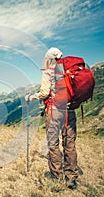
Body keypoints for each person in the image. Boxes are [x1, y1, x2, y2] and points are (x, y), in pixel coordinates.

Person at [25, 47, 81, 189]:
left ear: (49, 58)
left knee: (53, 142)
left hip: (54, 111)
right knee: (69, 143)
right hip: (70, 111)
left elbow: (44, 93)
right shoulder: (70, 69)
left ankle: (56, 175)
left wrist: (31, 97)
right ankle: (71, 178)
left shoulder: (49, 71)